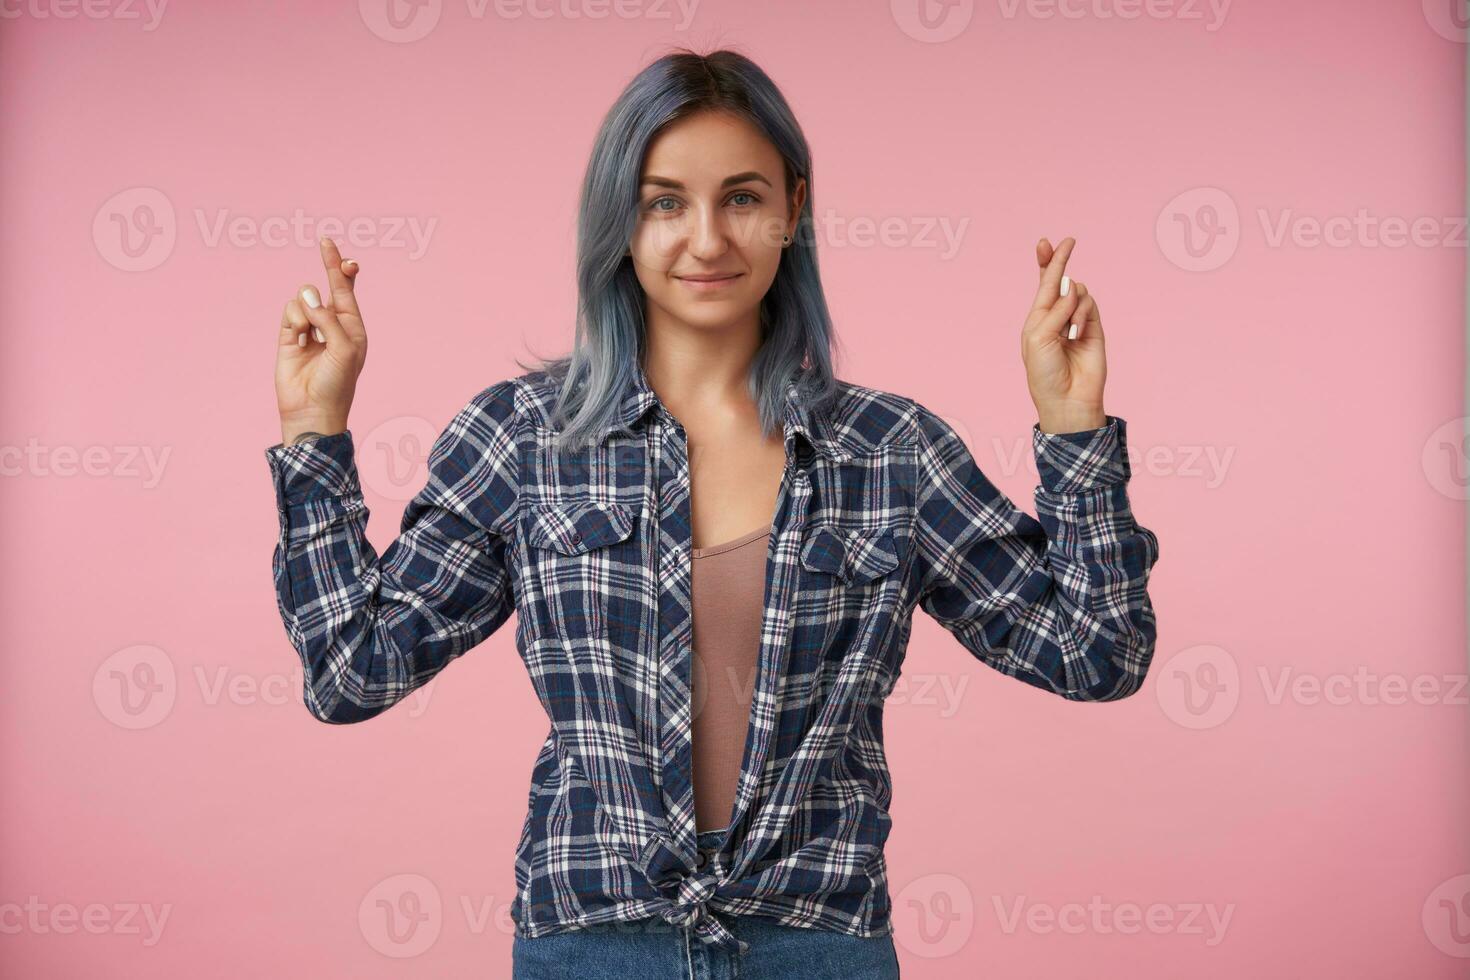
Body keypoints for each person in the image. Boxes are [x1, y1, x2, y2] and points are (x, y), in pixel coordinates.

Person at [264, 47, 1160, 980]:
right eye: (664, 201)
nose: (706, 240)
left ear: (793, 211)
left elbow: (1097, 654)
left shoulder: (893, 450)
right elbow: (351, 673)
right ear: (620, 220)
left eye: (741, 198)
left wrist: (1071, 424)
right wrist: (313, 426)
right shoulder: (522, 439)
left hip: (818, 942)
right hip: (596, 942)